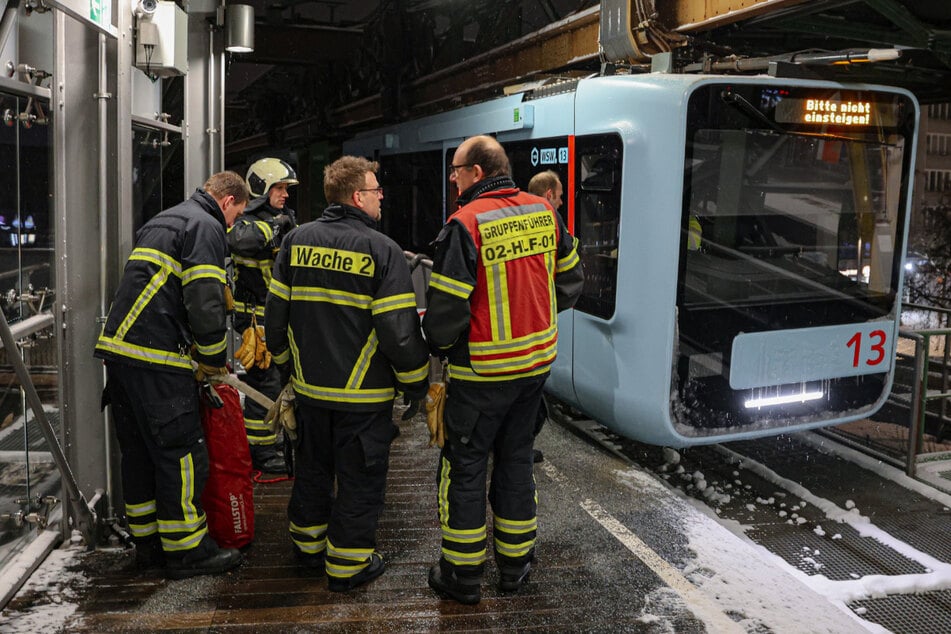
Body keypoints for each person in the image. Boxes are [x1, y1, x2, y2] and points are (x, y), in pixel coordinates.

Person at [423, 135, 584, 604]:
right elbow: (572, 280)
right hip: (533, 370)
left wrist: (441, 347)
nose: (452, 178)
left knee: (466, 467)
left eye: (456, 170)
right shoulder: (543, 211)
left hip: (480, 375)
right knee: (516, 462)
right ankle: (515, 568)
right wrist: (534, 316)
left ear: (477, 172)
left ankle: (462, 574)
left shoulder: (465, 224)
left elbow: (446, 313)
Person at [265, 156, 429, 592]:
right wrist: (416, 384)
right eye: (376, 191)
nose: (380, 199)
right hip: (365, 396)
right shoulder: (383, 250)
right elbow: (398, 331)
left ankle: (307, 548)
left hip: (310, 392)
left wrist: (288, 371)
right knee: (360, 478)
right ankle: (347, 566)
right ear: (358, 196)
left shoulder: (296, 241)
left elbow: (275, 319)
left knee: (313, 471)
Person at [94, 172, 249, 579]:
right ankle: (188, 551)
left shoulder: (165, 219)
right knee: (181, 453)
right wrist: (213, 359)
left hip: (120, 353)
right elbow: (203, 299)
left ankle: (148, 545)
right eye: (236, 216)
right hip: (157, 358)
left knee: (140, 454)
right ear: (228, 201)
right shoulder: (206, 225)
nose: (231, 226)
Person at [227, 157, 299, 473]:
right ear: (262, 188)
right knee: (264, 384)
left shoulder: (284, 218)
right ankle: (261, 452)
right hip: (255, 322)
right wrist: (274, 227)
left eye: (286, 188)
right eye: (279, 188)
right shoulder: (247, 221)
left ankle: (276, 440)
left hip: (278, 317)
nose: (285, 194)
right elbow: (242, 241)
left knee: (281, 380)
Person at [526, 169, 566, 464]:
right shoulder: (550, 219)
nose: (562, 202)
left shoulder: (511, 215)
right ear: (549, 195)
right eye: (561, 195)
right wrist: (550, 306)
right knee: (531, 408)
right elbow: (571, 274)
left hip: (499, 349)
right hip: (534, 342)